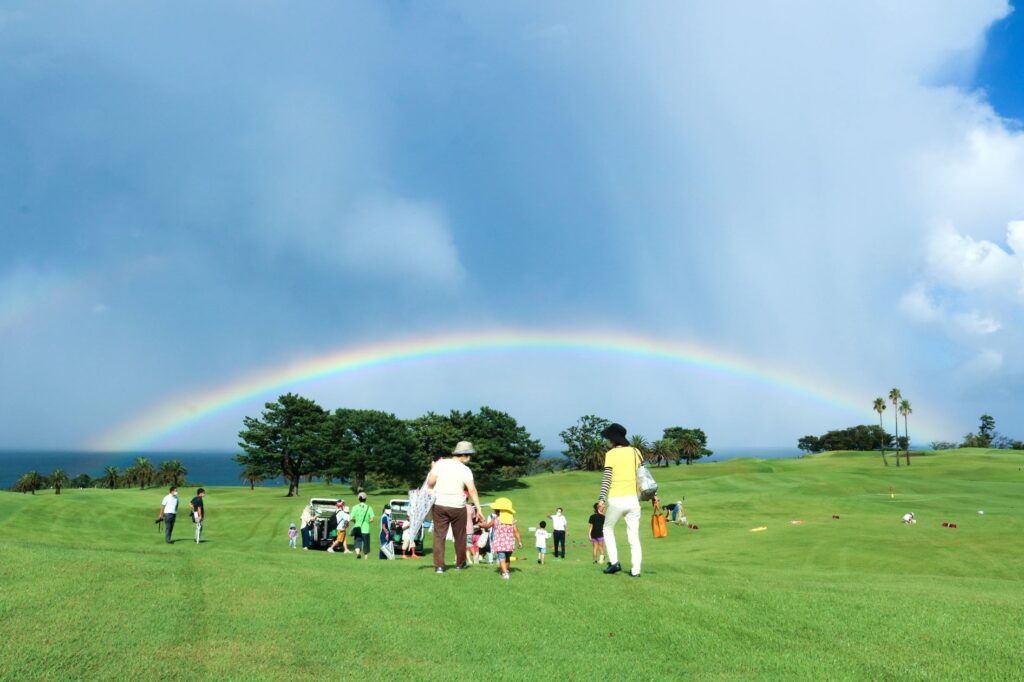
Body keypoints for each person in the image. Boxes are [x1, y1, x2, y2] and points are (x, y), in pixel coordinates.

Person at [426, 441, 483, 573]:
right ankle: (460, 564)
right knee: (460, 536)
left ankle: (439, 566)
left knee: (439, 536)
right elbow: (472, 490)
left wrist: (432, 469)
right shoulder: (465, 470)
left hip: (440, 503)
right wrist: (479, 509)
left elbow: (430, 482)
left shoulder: (440, 463)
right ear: (465, 455)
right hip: (458, 505)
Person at [596, 423, 643, 577]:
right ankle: (636, 571)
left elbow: (607, 479)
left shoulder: (611, 454)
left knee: (607, 529)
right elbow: (643, 476)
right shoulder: (636, 452)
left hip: (617, 499)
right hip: (633, 500)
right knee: (634, 537)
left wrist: (601, 499)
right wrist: (654, 495)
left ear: (613, 439)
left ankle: (615, 563)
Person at [478, 497, 522, 580]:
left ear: (498, 510)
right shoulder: (511, 520)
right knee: (507, 558)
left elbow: (487, 526)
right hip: (509, 543)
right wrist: (519, 542)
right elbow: (516, 531)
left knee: (501, 558)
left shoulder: (496, 519)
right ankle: (506, 571)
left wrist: (481, 525)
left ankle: (505, 573)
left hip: (499, 543)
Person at [349, 493, 375, 559]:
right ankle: (366, 556)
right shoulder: (369, 508)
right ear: (366, 499)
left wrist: (355, 521)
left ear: (358, 498)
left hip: (357, 527)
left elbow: (351, 518)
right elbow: (372, 519)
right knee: (366, 543)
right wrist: (367, 521)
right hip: (366, 528)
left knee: (357, 541)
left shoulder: (355, 507)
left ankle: (358, 553)